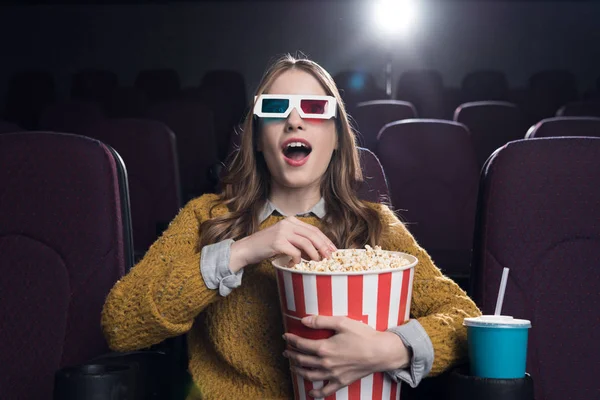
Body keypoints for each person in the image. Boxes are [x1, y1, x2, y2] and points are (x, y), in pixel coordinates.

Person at [101, 54, 481, 399]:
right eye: (276, 108)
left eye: (315, 109)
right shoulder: (207, 217)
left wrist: (389, 349)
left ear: (335, 139)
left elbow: (468, 322)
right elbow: (121, 323)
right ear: (259, 139)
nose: (294, 120)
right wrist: (242, 251)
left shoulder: (375, 228)